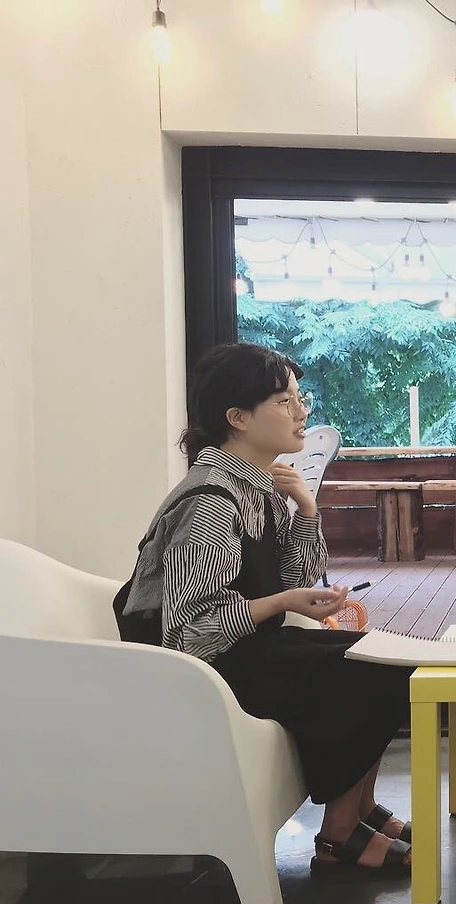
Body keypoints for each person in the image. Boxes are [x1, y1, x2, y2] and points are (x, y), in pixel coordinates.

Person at [118, 343, 413, 874]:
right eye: (283, 401)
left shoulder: (260, 486)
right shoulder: (210, 500)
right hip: (198, 672)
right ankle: (339, 836)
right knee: (366, 670)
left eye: (299, 398)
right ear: (237, 418)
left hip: (246, 648)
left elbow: (297, 579)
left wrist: (307, 508)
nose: (301, 412)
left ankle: (360, 810)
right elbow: (186, 634)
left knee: (379, 655)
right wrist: (280, 602)